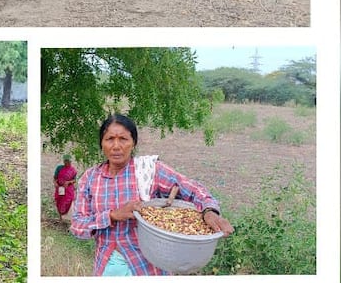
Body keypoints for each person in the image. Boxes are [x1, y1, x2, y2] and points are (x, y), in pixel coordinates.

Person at [71, 114, 234, 276]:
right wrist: (113, 215)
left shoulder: (148, 171)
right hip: (107, 266)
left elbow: (193, 189)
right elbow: (77, 226)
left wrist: (209, 211)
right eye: (109, 139)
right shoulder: (90, 178)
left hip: (148, 267)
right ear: (101, 143)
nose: (116, 146)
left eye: (123, 139)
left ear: (133, 143)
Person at [53, 154, 77, 222]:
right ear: (64, 161)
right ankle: (61, 218)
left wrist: (68, 182)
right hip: (60, 188)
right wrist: (55, 184)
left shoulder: (73, 170)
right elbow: (55, 178)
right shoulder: (59, 168)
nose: (68, 163)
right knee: (60, 201)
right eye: (66, 161)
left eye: (69, 162)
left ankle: (70, 220)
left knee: (69, 202)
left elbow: (74, 180)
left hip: (68, 189)